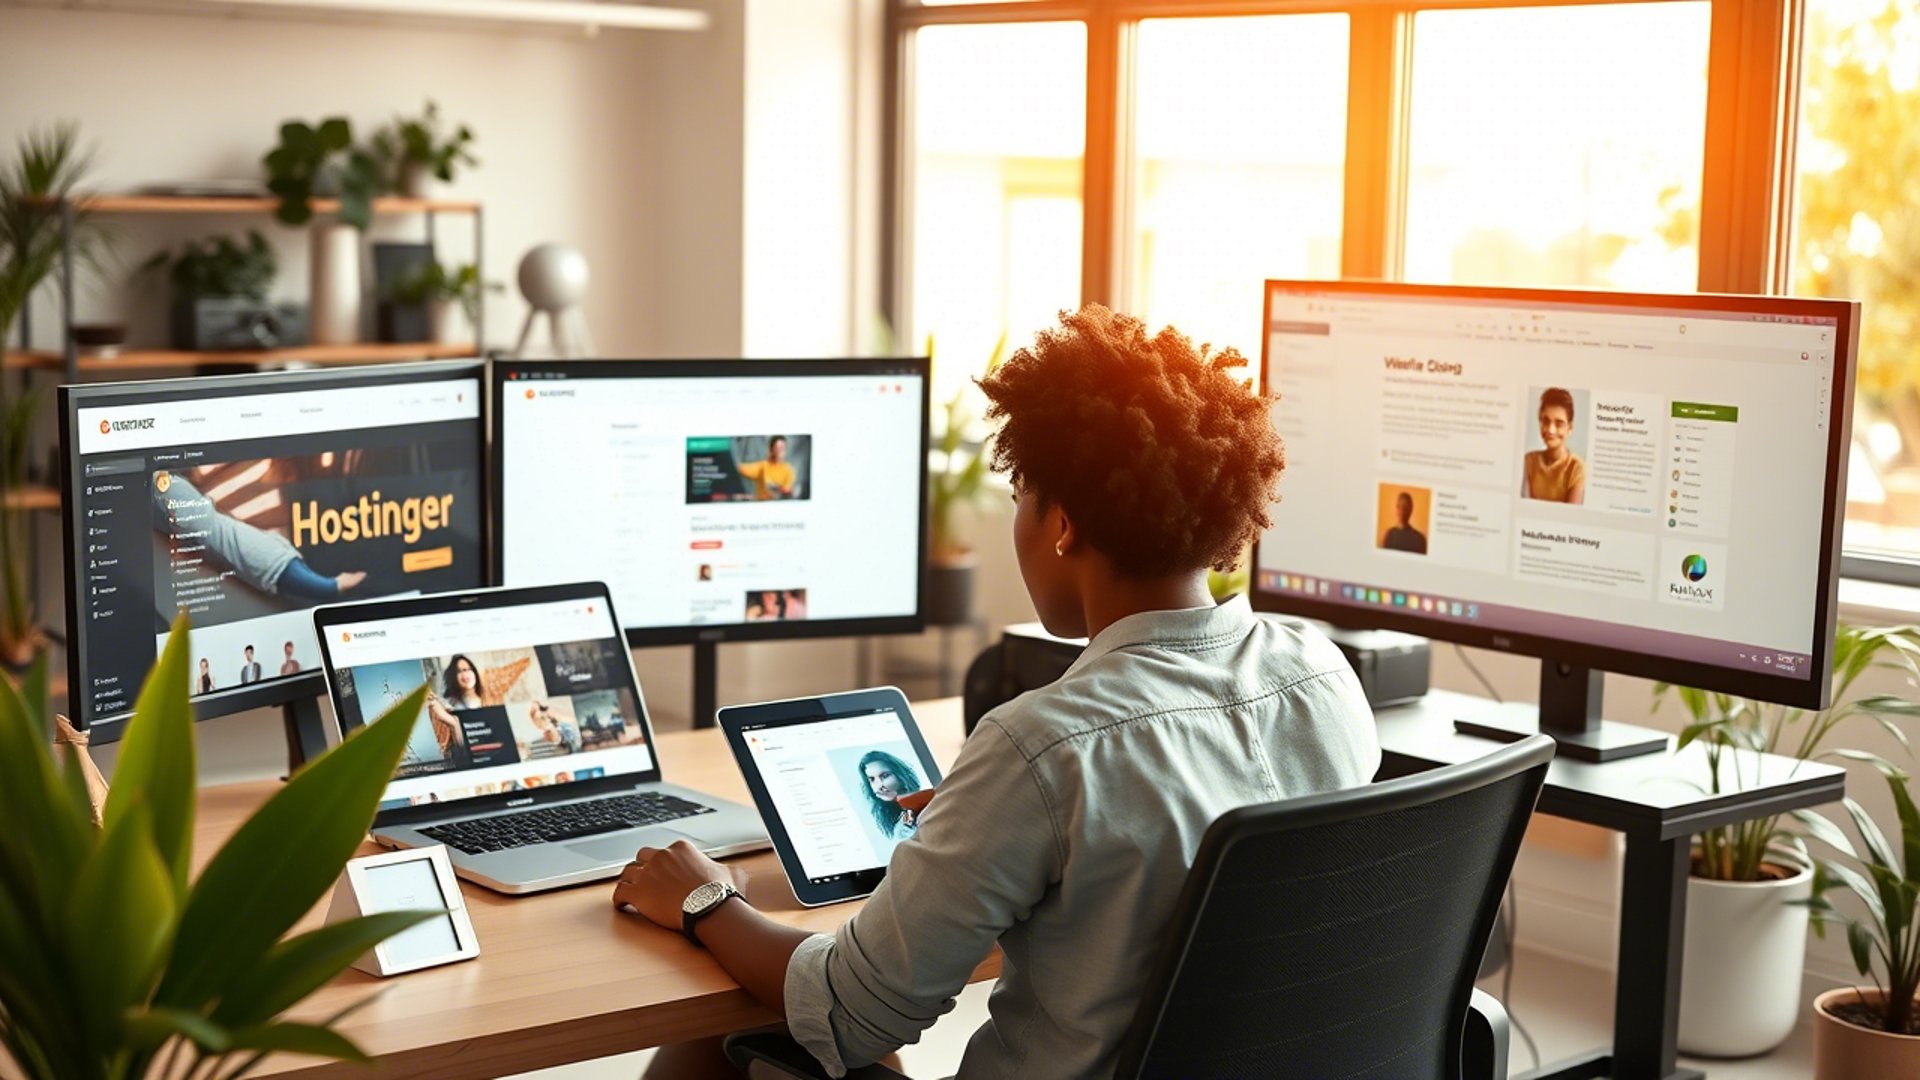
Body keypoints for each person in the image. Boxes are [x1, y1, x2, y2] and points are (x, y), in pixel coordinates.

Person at [614, 304, 1381, 1080]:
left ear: (1063, 525)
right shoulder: (1322, 675)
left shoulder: (1043, 745)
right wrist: (986, 821)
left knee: (726, 1036)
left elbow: (850, 1014)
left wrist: (707, 901)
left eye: (1020, 495)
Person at [1523, 387, 1586, 504]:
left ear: (1570, 428)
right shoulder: (1529, 461)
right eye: (1546, 421)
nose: (1551, 430)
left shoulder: (1576, 467)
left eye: (1559, 424)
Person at [856, 750, 923, 842]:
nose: (879, 786)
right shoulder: (896, 814)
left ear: (900, 775)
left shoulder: (911, 810)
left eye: (885, 776)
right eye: (872, 779)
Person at [735, 435, 797, 500]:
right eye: (777, 448)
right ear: (771, 450)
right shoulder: (763, 467)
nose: (780, 451)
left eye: (782, 448)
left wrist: (777, 488)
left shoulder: (788, 470)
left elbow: (788, 489)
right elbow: (740, 469)